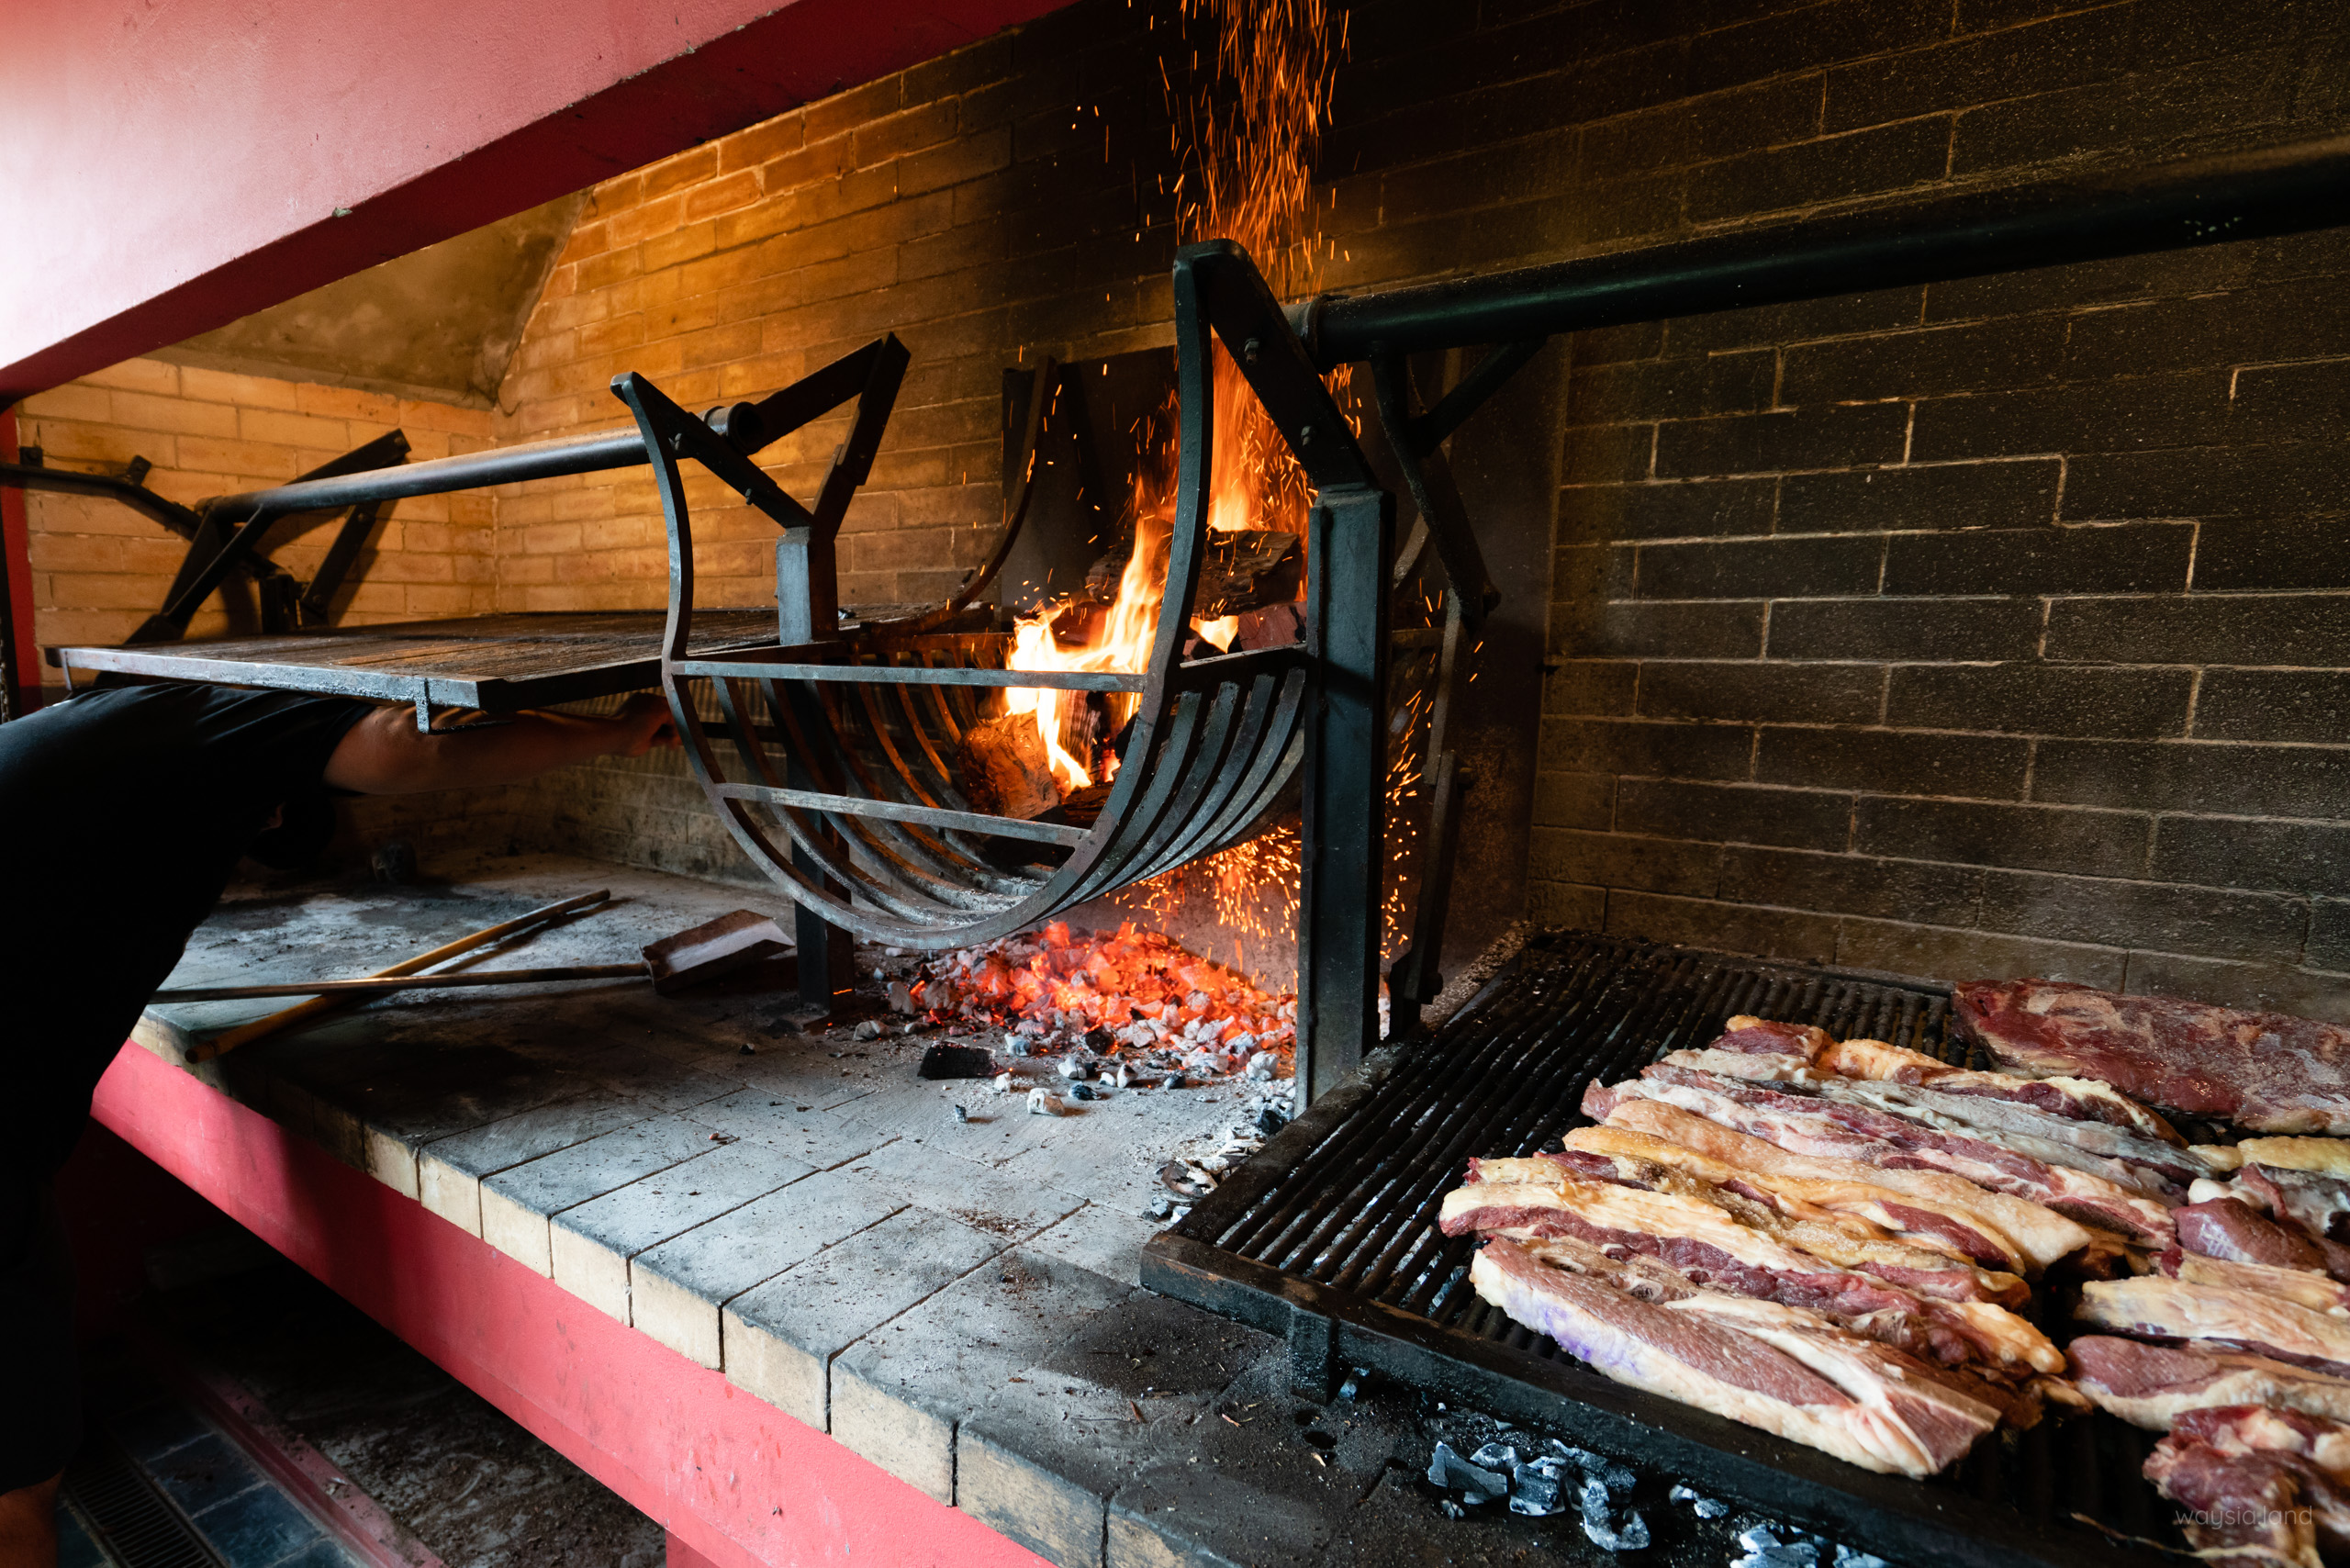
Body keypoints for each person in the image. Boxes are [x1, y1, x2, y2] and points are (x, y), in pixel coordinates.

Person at [0, 680, 677, 1566]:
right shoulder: (223, 717)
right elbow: (411, 741)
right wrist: (618, 733)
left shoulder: (85, 742)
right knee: (13, 1494)